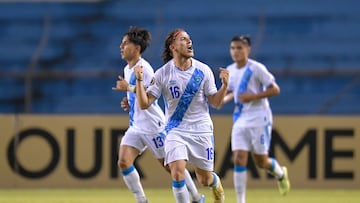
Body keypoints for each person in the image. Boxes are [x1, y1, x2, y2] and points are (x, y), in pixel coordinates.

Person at [133, 28, 228, 203]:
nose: (189, 42)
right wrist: (139, 81)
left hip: (201, 130)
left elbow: (215, 102)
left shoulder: (203, 70)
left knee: (204, 179)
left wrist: (224, 86)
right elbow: (145, 103)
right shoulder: (162, 73)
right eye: (183, 39)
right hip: (175, 129)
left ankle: (216, 185)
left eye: (189, 39)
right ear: (173, 47)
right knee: (177, 172)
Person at [112, 26, 204, 203]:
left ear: (137, 48)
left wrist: (129, 88)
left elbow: (150, 94)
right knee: (123, 161)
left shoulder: (144, 68)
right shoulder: (127, 69)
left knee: (171, 167)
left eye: (125, 44)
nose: (121, 47)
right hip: (137, 127)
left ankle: (195, 197)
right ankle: (142, 200)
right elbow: (138, 96)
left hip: (154, 127)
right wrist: (129, 100)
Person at [218, 35, 290, 203]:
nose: (235, 51)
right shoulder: (231, 70)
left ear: (247, 49)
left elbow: (275, 89)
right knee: (238, 158)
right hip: (240, 118)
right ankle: (240, 200)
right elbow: (234, 93)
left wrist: (253, 97)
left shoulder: (257, 68)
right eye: (233, 48)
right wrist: (223, 99)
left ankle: (280, 173)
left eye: (239, 48)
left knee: (261, 161)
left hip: (259, 118)